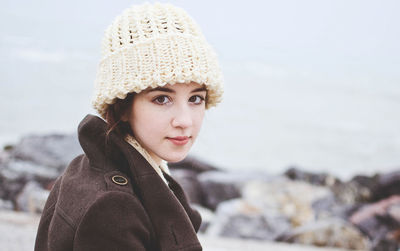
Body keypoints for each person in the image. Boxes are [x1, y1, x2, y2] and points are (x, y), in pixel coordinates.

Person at [34, 2, 223, 251]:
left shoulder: (90, 168)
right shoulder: (112, 209)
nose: (185, 120)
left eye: (195, 98)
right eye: (161, 99)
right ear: (122, 106)